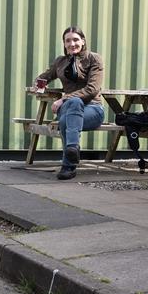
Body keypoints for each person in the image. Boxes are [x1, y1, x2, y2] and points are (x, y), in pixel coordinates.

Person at [34, 26, 105, 180]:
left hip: (92, 109)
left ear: (83, 41)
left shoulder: (94, 59)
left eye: (75, 40)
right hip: (68, 109)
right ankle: (73, 149)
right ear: (64, 43)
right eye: (68, 41)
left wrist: (64, 98)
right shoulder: (60, 61)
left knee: (68, 117)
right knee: (71, 108)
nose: (72, 44)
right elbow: (43, 77)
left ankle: (68, 165)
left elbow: (92, 89)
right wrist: (40, 85)